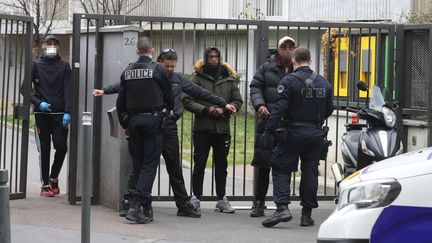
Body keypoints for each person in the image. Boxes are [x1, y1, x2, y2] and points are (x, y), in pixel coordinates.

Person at [93, 48, 236, 218]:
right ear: (159, 62)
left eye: (172, 66)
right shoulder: (151, 75)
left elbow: (199, 92)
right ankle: (131, 202)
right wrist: (105, 90)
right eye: (167, 66)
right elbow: (123, 85)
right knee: (141, 165)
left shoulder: (178, 79)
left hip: (168, 128)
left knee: (174, 167)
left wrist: (223, 103)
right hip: (152, 125)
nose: (169, 69)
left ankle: (183, 204)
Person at [259, 47, 333, 227]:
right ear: (310, 61)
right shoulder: (324, 83)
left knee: (280, 166)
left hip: (292, 133)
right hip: (316, 135)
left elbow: (279, 109)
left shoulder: (289, 81)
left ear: (293, 61)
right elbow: (329, 110)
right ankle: (306, 215)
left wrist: (268, 132)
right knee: (310, 172)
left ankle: (282, 208)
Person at [116, 36, 174, 224]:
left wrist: (125, 124)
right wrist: (165, 113)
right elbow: (169, 96)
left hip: (134, 122)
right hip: (153, 120)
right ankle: (135, 205)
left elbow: (120, 102)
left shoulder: (127, 71)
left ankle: (146, 208)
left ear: (136, 51)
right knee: (150, 165)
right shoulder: (157, 69)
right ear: (152, 51)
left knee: (138, 165)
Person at [182, 46, 243, 213]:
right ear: (206, 58)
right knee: (199, 164)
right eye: (210, 57)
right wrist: (206, 110)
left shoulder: (229, 79)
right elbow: (187, 99)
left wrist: (224, 110)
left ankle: (221, 199)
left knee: (222, 165)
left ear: (220, 58)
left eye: (216, 57)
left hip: (222, 129)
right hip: (202, 128)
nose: (213, 60)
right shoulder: (197, 78)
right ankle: (196, 198)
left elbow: (238, 101)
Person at [249, 36, 296, 217]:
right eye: (284, 46)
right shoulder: (266, 67)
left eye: (291, 46)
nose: (287, 50)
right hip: (267, 123)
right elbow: (255, 87)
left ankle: (281, 205)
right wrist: (259, 104)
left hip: (289, 125)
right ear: (278, 49)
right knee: (263, 164)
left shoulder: (297, 68)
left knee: (285, 166)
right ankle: (259, 203)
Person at [26, 35, 71, 197]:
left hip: (60, 114)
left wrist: (68, 111)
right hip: (42, 114)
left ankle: (54, 177)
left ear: (57, 47)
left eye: (54, 44)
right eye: (48, 44)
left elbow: (68, 89)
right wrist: (38, 103)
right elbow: (24, 89)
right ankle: (45, 184)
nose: (51, 46)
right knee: (44, 149)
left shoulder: (65, 66)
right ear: (44, 46)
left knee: (62, 147)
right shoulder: (36, 65)